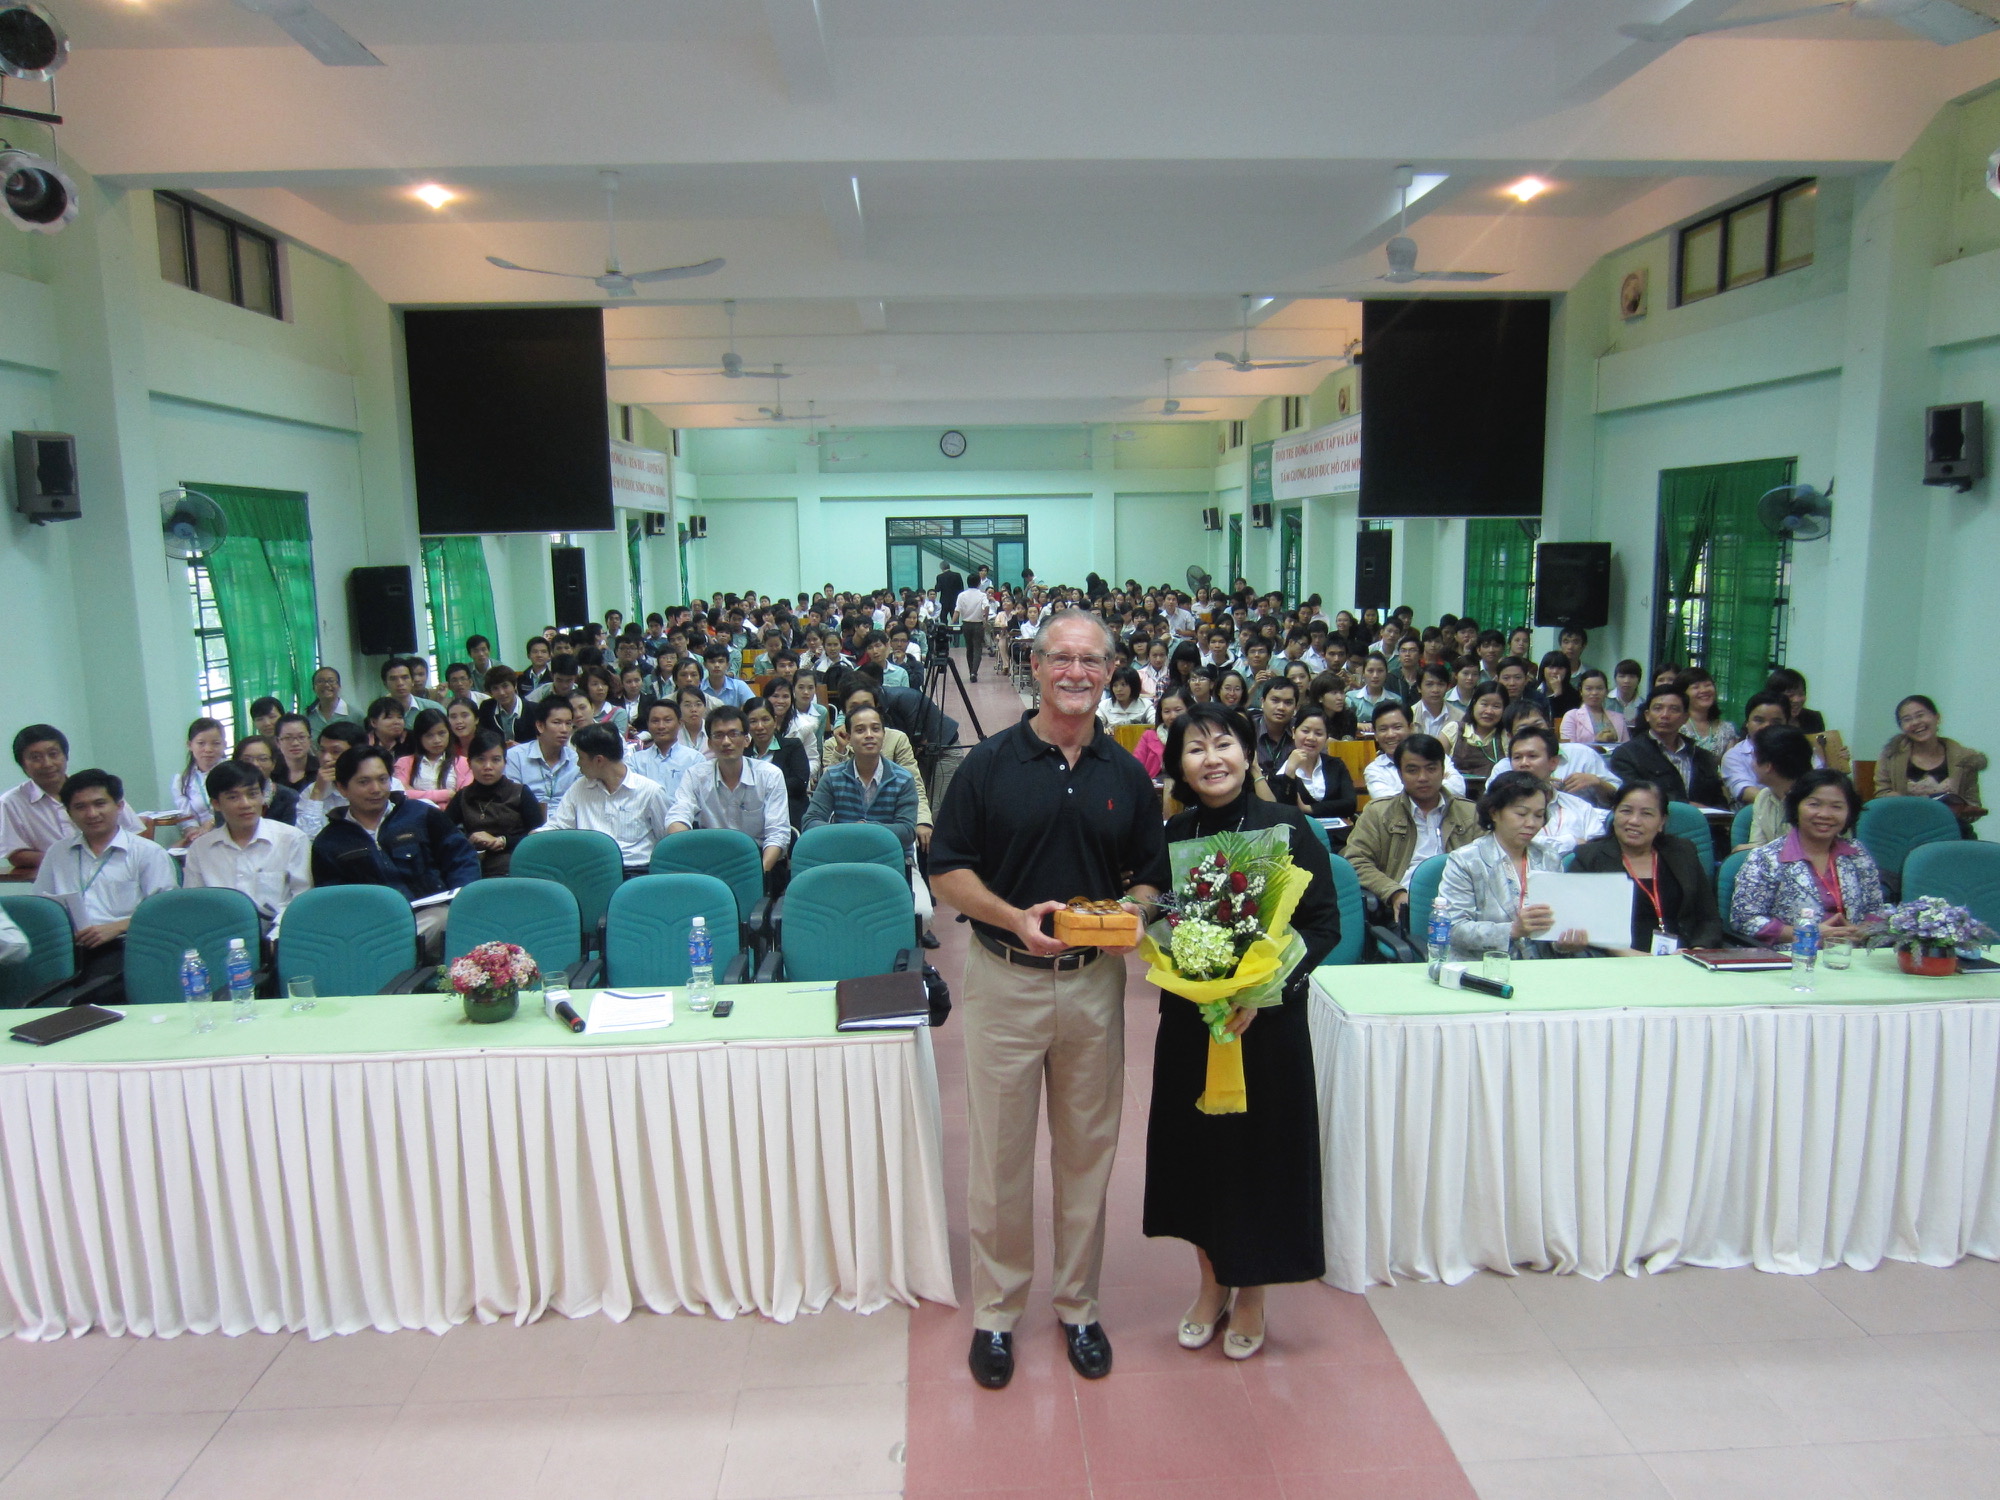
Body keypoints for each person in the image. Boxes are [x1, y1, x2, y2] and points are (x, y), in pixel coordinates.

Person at [928, 610, 1168, 1390]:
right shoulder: (990, 764)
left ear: (1109, 672)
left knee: (1086, 1152)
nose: (1075, 673)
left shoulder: (1125, 773)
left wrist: (1130, 908)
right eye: (1060, 658)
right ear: (1033, 666)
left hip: (1094, 988)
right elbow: (949, 872)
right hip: (1004, 978)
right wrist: (1012, 919)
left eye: (1089, 661)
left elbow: (1150, 873)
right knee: (998, 1156)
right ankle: (997, 1313)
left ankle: (1078, 1306)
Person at [1145, 703, 1340, 1360]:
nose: (1212, 759)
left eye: (1223, 743)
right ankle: (1210, 1285)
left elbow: (1321, 924)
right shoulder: (1171, 835)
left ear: (1249, 752)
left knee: (1259, 1161)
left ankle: (1251, 1291)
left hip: (1269, 1028)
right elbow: (1159, 918)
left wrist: (1264, 987)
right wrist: (1157, 941)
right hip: (1194, 1025)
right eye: (1195, 749)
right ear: (1179, 766)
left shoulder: (1288, 827)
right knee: (1198, 1159)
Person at [310, 745, 481, 951]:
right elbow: (334, 902)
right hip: (371, 927)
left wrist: (461, 900)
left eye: (382, 779)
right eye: (364, 782)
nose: (376, 789)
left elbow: (461, 857)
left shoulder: (421, 815)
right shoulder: (330, 841)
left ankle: (391, 955)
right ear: (342, 788)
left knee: (443, 919)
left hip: (429, 914)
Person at [32, 769, 178, 980]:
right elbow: (41, 906)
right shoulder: (58, 853)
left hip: (125, 947)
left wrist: (116, 927)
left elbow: (165, 913)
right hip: (66, 948)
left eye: (100, 804)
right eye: (80, 807)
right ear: (69, 812)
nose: (91, 814)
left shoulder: (147, 852)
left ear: (119, 806)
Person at [1434, 772, 1590, 961]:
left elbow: (1556, 923)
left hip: (1541, 966)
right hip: (1482, 965)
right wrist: (1513, 930)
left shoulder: (1549, 857)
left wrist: (1564, 943)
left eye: (1539, 815)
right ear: (1494, 813)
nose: (1531, 823)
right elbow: (1453, 928)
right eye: (1521, 814)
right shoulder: (1466, 860)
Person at [1730, 770, 1887, 945]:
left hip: (1851, 955)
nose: (1825, 814)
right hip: (1792, 956)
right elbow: (1745, 919)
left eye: (1836, 806)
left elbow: (1875, 910)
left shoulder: (1857, 853)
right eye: (1814, 804)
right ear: (1796, 807)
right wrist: (1806, 933)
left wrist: (1861, 931)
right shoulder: (1766, 858)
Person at [1570, 780, 1725, 953]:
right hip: (1617, 962)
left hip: (1682, 959)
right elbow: (1578, 924)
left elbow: (1709, 918)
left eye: (1647, 814)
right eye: (1626, 811)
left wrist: (1697, 951)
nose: (1634, 821)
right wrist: (1624, 953)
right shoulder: (1589, 858)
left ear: (1662, 822)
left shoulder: (1682, 852)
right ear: (1614, 814)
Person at [1343, 732, 1480, 923]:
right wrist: (1393, 892)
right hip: (1404, 907)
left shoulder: (1470, 813)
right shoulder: (1379, 813)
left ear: (1443, 771)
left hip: (1461, 907)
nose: (1422, 778)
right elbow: (1355, 860)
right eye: (1412, 770)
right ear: (1400, 774)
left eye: (1431, 769)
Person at [663, 705, 793, 876]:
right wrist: (686, 849)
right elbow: (678, 814)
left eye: (733, 734)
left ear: (747, 739)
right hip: (711, 862)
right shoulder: (695, 775)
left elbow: (778, 833)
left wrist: (758, 873)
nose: (726, 742)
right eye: (718, 735)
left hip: (759, 859)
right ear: (709, 743)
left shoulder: (770, 775)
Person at [1, 724, 141, 878]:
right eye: (36, 758)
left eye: (53, 754)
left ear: (65, 756)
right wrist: (74, 861)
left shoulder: (96, 788)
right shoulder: (11, 802)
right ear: (22, 764)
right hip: (57, 877)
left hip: (119, 871)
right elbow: (16, 854)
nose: (47, 764)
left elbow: (137, 834)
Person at [181, 760, 311, 923]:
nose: (246, 804)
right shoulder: (200, 849)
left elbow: (302, 901)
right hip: (220, 936)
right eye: (233, 797)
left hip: (279, 936)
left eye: (252, 794)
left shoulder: (291, 839)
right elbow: (195, 906)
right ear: (216, 804)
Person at [802, 702, 921, 863]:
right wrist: (852, 832)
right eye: (860, 730)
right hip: (844, 858)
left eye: (876, 729)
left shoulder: (903, 779)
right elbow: (810, 823)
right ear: (849, 737)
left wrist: (866, 829)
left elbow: (907, 832)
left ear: (883, 734)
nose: (869, 735)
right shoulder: (833, 776)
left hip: (891, 860)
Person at [548, 724, 674, 875]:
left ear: (599, 760)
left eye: (581, 758)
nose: (578, 764)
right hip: (589, 871)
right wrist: (536, 836)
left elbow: (666, 842)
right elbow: (559, 826)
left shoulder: (650, 792)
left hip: (636, 870)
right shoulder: (578, 788)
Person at [1874, 694, 1987, 830]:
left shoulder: (1965, 759)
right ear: (1902, 727)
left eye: (1920, 715)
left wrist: (1957, 810)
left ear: (1937, 718)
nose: (1915, 723)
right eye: (1907, 719)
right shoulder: (1891, 757)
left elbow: (1973, 805)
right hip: (1905, 830)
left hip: (1951, 830)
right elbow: (1881, 794)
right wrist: (1901, 801)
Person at [445, 730, 545, 877]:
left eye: (496, 759)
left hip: (513, 866)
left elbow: (539, 838)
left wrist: (503, 841)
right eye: (480, 759)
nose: (488, 766)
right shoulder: (463, 796)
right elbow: (444, 834)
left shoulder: (520, 793)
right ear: (469, 763)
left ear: (505, 762)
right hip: (472, 867)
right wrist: (468, 840)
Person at [1609, 685, 1727, 808]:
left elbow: (1720, 802)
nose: (1665, 715)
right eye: (1658, 708)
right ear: (1647, 715)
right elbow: (1633, 796)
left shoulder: (1701, 756)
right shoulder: (1627, 754)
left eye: (1674, 709)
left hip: (1704, 824)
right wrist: (1687, 808)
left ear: (1685, 718)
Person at [1505, 725, 1606, 858]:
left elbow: (1598, 849)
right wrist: (1572, 842)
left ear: (1553, 762)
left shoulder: (1579, 807)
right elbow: (1510, 844)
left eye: (1532, 756)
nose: (1524, 763)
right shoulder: (1502, 806)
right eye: (1517, 757)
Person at [1266, 705, 1358, 823]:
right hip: (1300, 836)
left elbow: (1350, 804)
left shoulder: (1336, 765)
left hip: (1338, 835)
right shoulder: (1278, 771)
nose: (1311, 738)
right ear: (1294, 732)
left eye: (1319, 733)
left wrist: (1308, 809)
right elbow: (1285, 813)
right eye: (1305, 731)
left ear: (1326, 738)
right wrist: (1290, 773)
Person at [1362, 702, 1467, 800]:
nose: (1391, 734)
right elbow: (1387, 804)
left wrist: (1405, 793)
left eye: (1397, 727)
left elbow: (1458, 789)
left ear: (1411, 728)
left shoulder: (1436, 756)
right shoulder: (1375, 770)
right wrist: (1439, 784)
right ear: (1375, 734)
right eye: (1383, 729)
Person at [1736, 723, 1813, 851]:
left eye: (1754, 757)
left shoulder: (1817, 801)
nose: (1752, 764)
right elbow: (1755, 849)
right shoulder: (1764, 797)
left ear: (1768, 766)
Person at [744, 696, 812, 831]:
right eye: (753, 721)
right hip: (751, 816)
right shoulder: (743, 754)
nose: (760, 727)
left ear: (774, 722)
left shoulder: (793, 746)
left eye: (765, 720)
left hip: (789, 813)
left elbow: (799, 783)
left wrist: (762, 788)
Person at [1721, 692, 1794, 807]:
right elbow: (1745, 792)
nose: (1766, 726)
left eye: (1776, 722)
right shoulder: (1734, 756)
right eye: (1759, 720)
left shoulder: (1800, 750)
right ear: (1747, 723)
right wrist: (1785, 804)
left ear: (1787, 724)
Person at [505, 700, 581, 808]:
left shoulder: (577, 760)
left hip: (568, 821)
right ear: (540, 726)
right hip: (527, 820)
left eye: (568, 723)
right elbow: (512, 800)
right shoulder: (515, 756)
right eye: (557, 722)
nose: (564, 730)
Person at [628, 699, 704, 802]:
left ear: (680, 723)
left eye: (667, 720)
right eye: (655, 721)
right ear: (648, 725)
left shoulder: (695, 759)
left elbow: (700, 798)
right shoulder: (635, 761)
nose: (661, 726)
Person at [393, 709, 471, 807]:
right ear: (419, 737)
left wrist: (415, 793)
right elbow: (400, 793)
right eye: (429, 735)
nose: (437, 740)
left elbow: (464, 798)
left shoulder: (464, 763)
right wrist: (445, 794)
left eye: (442, 733)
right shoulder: (404, 762)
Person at [171, 717, 228, 837]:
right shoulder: (181, 780)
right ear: (190, 745)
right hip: (202, 838)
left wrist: (212, 822)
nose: (208, 749)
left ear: (224, 745)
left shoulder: (233, 772)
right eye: (201, 743)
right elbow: (186, 817)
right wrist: (193, 832)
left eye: (216, 743)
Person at [1440, 682, 1507, 781]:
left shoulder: (1506, 736)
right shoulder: (1454, 729)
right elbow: (1435, 762)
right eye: (1484, 704)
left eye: (1496, 706)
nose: (1489, 711)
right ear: (1474, 704)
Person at [230, 735, 300, 825]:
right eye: (247, 759)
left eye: (263, 759)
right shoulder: (227, 795)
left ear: (273, 763)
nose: (255, 764)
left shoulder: (289, 796)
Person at [1676, 668, 1738, 758]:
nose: (1704, 690)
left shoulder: (1727, 730)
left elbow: (1730, 766)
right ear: (1683, 693)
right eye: (1696, 687)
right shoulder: (1676, 727)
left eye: (1708, 685)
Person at [1561, 668, 1628, 746]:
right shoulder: (1571, 716)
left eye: (1599, 688)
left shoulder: (1618, 717)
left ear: (1606, 691)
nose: (1594, 693)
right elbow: (1567, 748)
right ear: (1581, 691)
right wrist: (1596, 742)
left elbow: (1627, 748)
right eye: (1589, 689)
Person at [953, 576, 992, 682]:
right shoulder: (982, 595)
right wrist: (986, 619)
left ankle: (971, 671)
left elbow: (957, 610)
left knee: (969, 649)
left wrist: (952, 623)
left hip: (966, 624)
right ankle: (974, 672)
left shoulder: (961, 595)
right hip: (978, 624)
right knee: (977, 648)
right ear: (979, 583)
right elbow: (987, 606)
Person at [477, 666, 529, 744]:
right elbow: (483, 738)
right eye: (495, 688)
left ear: (514, 685)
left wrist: (520, 748)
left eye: (505, 686)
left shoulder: (532, 709)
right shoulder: (486, 707)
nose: (501, 692)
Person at [1764, 667, 1825, 734]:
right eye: (1790, 695)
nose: (1797, 700)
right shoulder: (1766, 721)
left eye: (1801, 694)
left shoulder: (1813, 719)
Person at [306, 666, 356, 738]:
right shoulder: (307, 716)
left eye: (331, 681)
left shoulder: (355, 715)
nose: (326, 685)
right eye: (320, 681)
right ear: (314, 687)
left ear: (339, 685)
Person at [1532, 651, 1581, 719]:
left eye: (1560, 668)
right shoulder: (1532, 688)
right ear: (1543, 669)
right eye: (1551, 667)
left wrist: (1557, 695)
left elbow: (1560, 720)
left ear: (1566, 671)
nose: (1555, 672)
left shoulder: (1574, 696)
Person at [273, 714, 316, 791]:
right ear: (277, 742)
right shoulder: (272, 771)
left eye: (301, 737)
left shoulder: (321, 770)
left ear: (310, 739)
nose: (295, 743)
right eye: (287, 738)